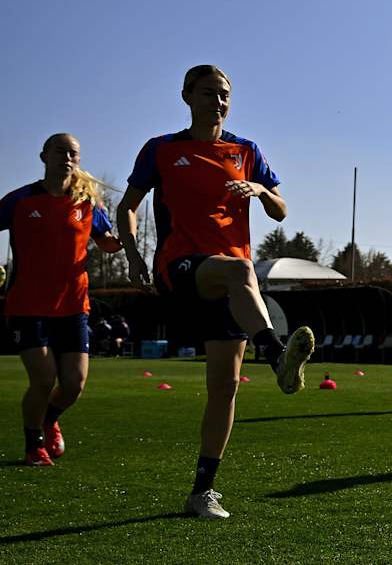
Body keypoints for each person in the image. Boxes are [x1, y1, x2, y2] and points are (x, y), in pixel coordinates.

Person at [117, 64, 315, 518]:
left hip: (231, 280)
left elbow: (281, 211)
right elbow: (128, 207)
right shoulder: (162, 149)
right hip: (181, 267)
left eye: (224, 94)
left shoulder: (246, 150)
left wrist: (261, 189)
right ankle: (277, 354)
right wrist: (131, 254)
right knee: (240, 270)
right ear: (187, 97)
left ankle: (201, 491)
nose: (218, 101)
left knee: (224, 388)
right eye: (208, 93)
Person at [1, 133, 122, 466]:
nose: (67, 158)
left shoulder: (87, 203)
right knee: (43, 379)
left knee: (73, 384)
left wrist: (126, 235)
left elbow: (108, 242)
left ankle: (50, 419)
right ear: (44, 156)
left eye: (73, 153)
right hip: (27, 305)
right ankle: (33, 445)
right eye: (60, 151)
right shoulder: (19, 200)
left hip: (73, 305)